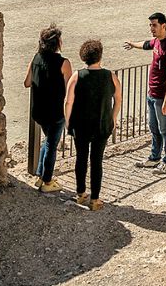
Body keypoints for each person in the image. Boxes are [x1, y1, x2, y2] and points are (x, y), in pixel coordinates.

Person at [64, 39, 121, 211]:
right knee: (97, 161)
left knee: (81, 158)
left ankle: (80, 194)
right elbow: (118, 99)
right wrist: (113, 119)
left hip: (80, 125)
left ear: (84, 57)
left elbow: (68, 102)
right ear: (100, 55)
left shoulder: (77, 76)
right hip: (102, 125)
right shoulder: (111, 76)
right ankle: (95, 200)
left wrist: (68, 122)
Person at [124, 12, 166, 174]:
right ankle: (154, 158)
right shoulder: (157, 41)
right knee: (154, 127)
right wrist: (133, 44)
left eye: (154, 25)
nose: (151, 28)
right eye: (150, 25)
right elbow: (146, 44)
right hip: (153, 93)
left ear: (164, 26)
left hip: (164, 96)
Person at [24, 25, 72, 192]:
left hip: (39, 111)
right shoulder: (64, 63)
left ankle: (40, 175)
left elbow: (27, 83)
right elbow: (70, 90)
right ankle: (47, 181)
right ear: (58, 42)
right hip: (56, 112)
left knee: (48, 140)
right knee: (52, 144)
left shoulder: (36, 58)